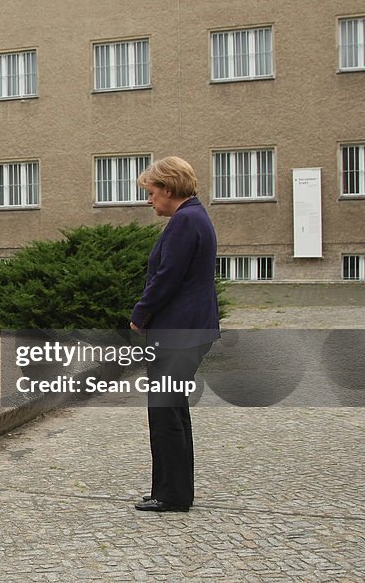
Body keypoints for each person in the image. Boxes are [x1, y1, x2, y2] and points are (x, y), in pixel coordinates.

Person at [129, 156, 219, 513]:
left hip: (178, 332)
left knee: (166, 413)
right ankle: (174, 490)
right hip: (190, 330)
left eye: (151, 193)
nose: (149, 201)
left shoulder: (185, 221)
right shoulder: (195, 216)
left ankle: (171, 495)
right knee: (173, 409)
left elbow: (167, 278)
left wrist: (141, 314)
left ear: (168, 189)